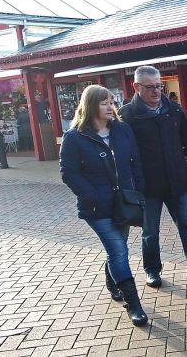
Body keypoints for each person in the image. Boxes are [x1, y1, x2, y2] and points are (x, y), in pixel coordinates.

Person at [118, 66, 187, 292]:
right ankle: (152, 270)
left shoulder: (174, 110)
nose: (157, 91)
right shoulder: (127, 115)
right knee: (151, 231)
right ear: (135, 87)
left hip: (176, 181)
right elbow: (122, 152)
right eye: (150, 87)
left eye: (159, 86)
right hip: (147, 186)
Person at [60, 85, 148, 326]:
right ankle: (134, 304)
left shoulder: (123, 130)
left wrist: (138, 191)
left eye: (112, 102)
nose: (111, 107)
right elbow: (69, 173)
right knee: (119, 251)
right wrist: (94, 196)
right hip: (96, 207)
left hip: (124, 203)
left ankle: (112, 281)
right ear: (90, 106)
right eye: (104, 103)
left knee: (116, 250)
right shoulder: (75, 137)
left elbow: (135, 162)